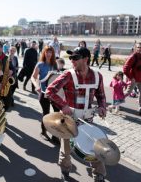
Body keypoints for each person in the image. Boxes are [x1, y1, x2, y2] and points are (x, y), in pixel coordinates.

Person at [46, 47, 107, 182]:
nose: (72, 60)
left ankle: (99, 174)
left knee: (94, 147)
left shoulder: (97, 76)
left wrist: (102, 107)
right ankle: (65, 170)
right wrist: (63, 105)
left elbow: (101, 95)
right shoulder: (68, 75)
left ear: (86, 59)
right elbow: (49, 91)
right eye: (71, 57)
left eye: (75, 57)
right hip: (69, 119)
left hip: (88, 119)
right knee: (66, 148)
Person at [31, 46, 60, 143]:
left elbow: (58, 78)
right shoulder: (40, 64)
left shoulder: (55, 65)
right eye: (47, 52)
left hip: (54, 94)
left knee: (57, 114)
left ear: (53, 54)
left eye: (50, 52)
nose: (49, 54)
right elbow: (33, 77)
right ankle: (43, 132)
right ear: (44, 53)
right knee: (46, 113)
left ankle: (55, 135)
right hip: (43, 93)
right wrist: (37, 86)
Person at [123, 42, 141, 117]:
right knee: (127, 93)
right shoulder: (133, 57)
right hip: (134, 79)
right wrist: (131, 78)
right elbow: (125, 69)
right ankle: (115, 103)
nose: (139, 49)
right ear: (135, 48)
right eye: (138, 47)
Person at [0, 41, 15, 111]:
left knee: (7, 104)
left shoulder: (7, 58)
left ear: (2, 48)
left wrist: (12, 71)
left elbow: (12, 68)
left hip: (6, 85)